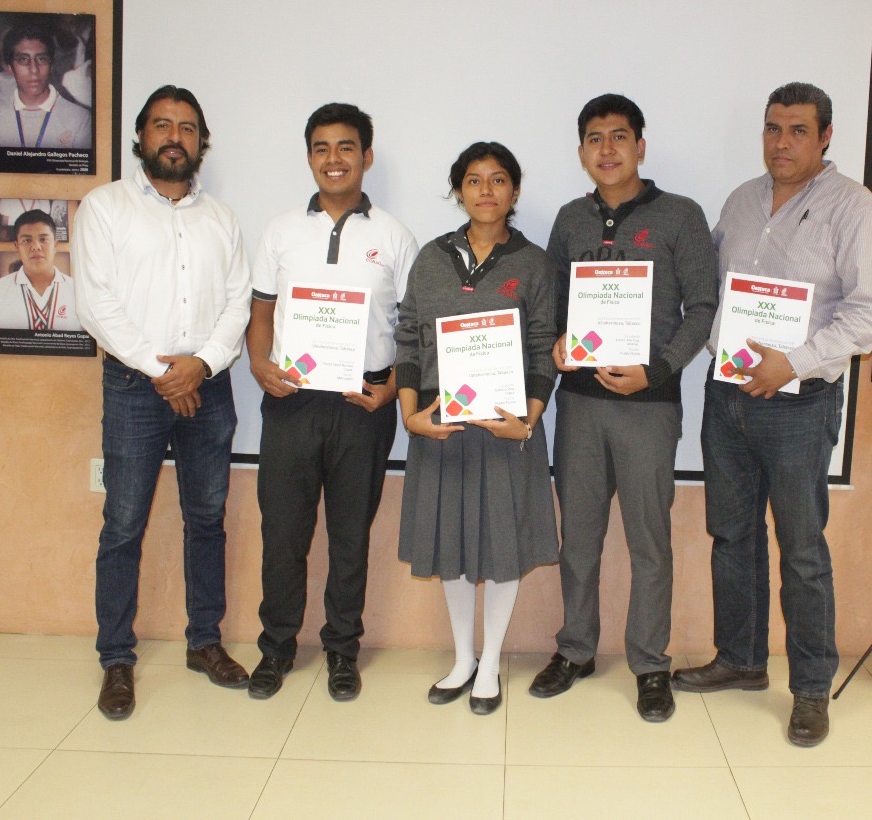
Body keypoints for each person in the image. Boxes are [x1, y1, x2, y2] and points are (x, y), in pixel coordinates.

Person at [671, 83, 872, 747]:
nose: (781, 142)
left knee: (801, 550)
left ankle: (811, 689)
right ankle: (739, 659)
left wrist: (790, 362)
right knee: (731, 536)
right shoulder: (740, 201)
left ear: (826, 136)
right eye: (772, 128)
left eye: (797, 130)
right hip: (728, 396)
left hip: (799, 405)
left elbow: (868, 313)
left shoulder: (854, 208)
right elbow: (707, 288)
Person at [529, 94, 717, 723]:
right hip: (579, 405)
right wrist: (556, 343)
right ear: (581, 152)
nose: (606, 149)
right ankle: (576, 649)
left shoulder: (680, 216)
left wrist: (657, 370)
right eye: (593, 138)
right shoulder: (568, 220)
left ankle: (649, 664)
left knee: (649, 543)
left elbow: (704, 310)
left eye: (618, 137)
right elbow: (553, 306)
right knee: (578, 539)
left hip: (649, 405)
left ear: (641, 145)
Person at [73, 85, 252, 720]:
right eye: (161, 125)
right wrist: (162, 372)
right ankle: (116, 658)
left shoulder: (222, 218)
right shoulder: (104, 207)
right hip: (134, 385)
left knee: (207, 519)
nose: (173, 136)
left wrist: (200, 365)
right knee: (123, 524)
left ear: (202, 142)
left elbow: (237, 303)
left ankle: (204, 642)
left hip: (209, 381)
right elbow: (95, 303)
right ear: (141, 137)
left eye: (186, 127)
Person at [246, 103, 418, 703]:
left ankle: (343, 650)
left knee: (350, 536)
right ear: (310, 157)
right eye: (321, 148)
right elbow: (261, 310)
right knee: (284, 534)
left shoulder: (395, 237)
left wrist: (393, 387)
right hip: (292, 401)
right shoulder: (280, 230)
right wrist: (259, 363)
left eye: (346, 147)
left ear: (366, 156)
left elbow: (413, 329)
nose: (334, 159)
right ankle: (276, 649)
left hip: (361, 405)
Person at [396, 142, 558, 715]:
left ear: (514, 191)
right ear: (458, 191)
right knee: (452, 542)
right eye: (473, 180)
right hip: (441, 425)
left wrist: (529, 422)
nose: (485, 191)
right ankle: (463, 658)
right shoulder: (430, 258)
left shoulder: (535, 263)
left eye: (497, 180)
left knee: (502, 544)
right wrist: (410, 414)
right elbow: (410, 338)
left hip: (506, 430)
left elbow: (542, 349)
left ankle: (492, 663)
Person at [0, 23, 93, 150]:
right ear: (9, 68)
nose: (33, 69)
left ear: (51, 65)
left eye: (41, 59)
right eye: (23, 60)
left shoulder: (80, 119)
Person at [0, 209, 81, 331]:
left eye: (43, 239)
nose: (35, 246)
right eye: (26, 240)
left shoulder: (78, 292)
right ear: (17, 246)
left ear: (55, 245)